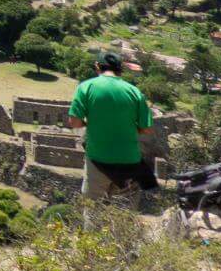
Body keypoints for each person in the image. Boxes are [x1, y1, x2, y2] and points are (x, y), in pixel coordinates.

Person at [65, 51, 157, 202]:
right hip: (130, 161)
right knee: (124, 212)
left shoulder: (86, 87)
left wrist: (93, 125)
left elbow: (74, 122)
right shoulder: (135, 92)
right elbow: (147, 129)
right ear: (120, 69)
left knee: (93, 210)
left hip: (97, 160)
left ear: (97, 66)